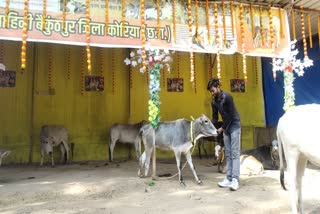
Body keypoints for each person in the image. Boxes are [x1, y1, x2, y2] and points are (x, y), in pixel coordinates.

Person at [207, 78, 241, 191]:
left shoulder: (227, 97)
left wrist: (222, 128)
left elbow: (231, 116)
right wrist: (210, 127)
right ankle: (228, 178)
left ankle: (235, 180)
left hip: (234, 125)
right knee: (228, 154)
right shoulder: (213, 101)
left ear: (218, 87)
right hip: (226, 127)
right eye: (210, 92)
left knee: (235, 154)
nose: (212, 93)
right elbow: (215, 118)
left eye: (213, 90)